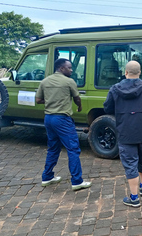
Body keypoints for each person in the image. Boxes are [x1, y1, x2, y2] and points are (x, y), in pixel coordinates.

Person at [103, 60, 142, 207]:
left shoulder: (115, 89)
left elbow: (107, 108)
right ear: (140, 72)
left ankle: (134, 197)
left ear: (126, 72)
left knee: (130, 164)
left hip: (125, 132)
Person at [36, 58, 91, 191]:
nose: (71, 70)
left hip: (48, 118)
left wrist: (50, 101)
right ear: (62, 68)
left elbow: (38, 100)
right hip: (62, 119)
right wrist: (79, 106)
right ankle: (77, 181)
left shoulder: (45, 81)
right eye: (69, 68)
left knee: (53, 148)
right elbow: (77, 97)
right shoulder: (68, 82)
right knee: (73, 149)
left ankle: (47, 177)